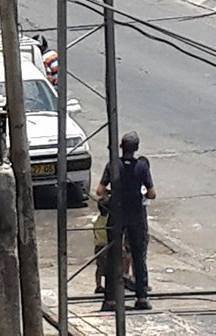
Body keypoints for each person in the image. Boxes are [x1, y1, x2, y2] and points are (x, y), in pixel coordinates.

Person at [96, 130, 156, 312]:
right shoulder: (142, 167)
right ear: (136, 148)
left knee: (113, 254)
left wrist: (112, 193)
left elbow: (99, 191)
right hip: (136, 214)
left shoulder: (113, 165)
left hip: (117, 213)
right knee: (138, 255)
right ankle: (141, 297)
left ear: (121, 147)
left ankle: (110, 298)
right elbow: (152, 193)